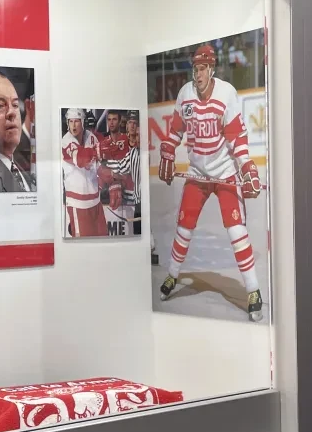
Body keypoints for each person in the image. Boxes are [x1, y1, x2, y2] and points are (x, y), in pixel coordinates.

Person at [157, 44, 264, 321]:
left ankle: (253, 290)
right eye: (195, 68)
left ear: (212, 68)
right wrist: (168, 149)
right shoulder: (185, 95)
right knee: (183, 228)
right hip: (197, 173)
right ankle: (171, 276)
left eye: (203, 68)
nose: (198, 73)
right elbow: (175, 132)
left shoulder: (226, 94)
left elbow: (236, 139)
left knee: (236, 230)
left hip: (225, 173)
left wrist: (247, 166)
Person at [60, 108, 105, 237]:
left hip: (96, 203)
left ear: (83, 122)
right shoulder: (66, 141)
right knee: (83, 248)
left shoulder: (91, 138)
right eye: (71, 121)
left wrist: (111, 183)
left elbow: (99, 167)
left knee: (103, 243)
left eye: (77, 121)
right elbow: (80, 159)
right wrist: (97, 152)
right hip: (78, 205)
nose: (73, 125)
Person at [97, 110, 139, 235]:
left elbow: (129, 166)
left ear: (120, 121)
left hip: (130, 195)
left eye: (114, 119)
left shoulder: (129, 140)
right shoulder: (102, 144)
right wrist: (113, 180)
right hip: (110, 196)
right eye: (109, 119)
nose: (111, 122)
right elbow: (99, 169)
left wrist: (111, 172)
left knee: (131, 232)